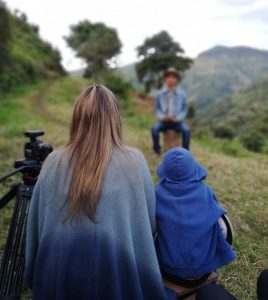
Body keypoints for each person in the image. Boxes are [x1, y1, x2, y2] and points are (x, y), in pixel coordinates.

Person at [25, 85, 169, 300]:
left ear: (77, 118)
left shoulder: (53, 161)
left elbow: (36, 227)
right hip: (117, 278)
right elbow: (148, 224)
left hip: (59, 280)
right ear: (115, 119)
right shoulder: (135, 160)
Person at [155, 147, 236, 286]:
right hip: (203, 272)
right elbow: (220, 220)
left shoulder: (156, 193)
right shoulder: (205, 191)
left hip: (169, 271)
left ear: (165, 170)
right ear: (194, 168)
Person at [151, 67, 191, 155]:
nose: (171, 79)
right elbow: (157, 108)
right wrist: (162, 117)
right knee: (154, 129)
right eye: (168, 77)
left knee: (187, 130)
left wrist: (179, 118)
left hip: (177, 122)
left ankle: (186, 153)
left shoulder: (182, 94)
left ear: (176, 79)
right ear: (165, 79)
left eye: (173, 77)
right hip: (164, 121)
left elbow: (185, 108)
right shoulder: (160, 94)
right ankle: (156, 150)